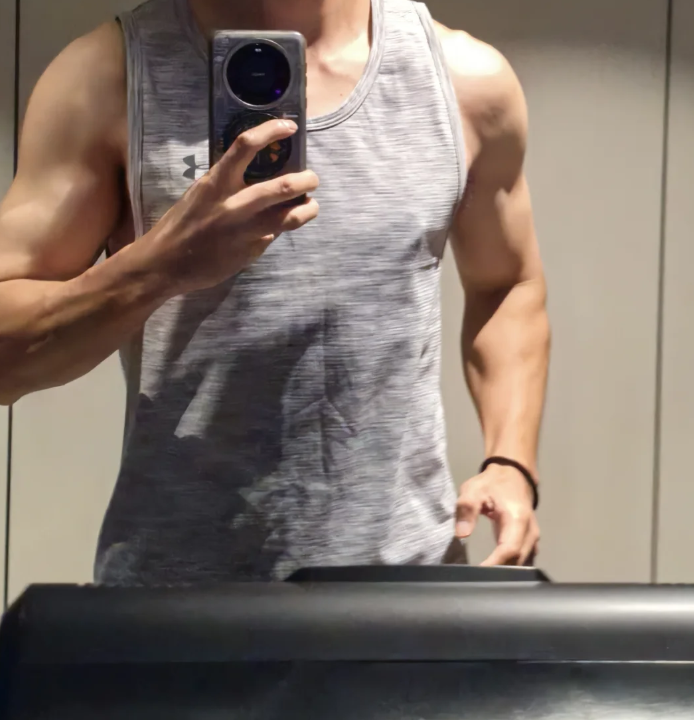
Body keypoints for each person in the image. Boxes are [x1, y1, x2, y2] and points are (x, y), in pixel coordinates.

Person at [0, 0, 550, 584]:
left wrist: (510, 461)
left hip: (402, 586)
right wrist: (158, 268)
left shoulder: (464, 79)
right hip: (179, 598)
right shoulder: (106, 80)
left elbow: (506, 285)